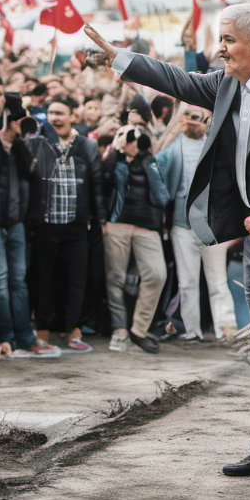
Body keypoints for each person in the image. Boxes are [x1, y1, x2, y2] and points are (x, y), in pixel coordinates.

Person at [85, 3, 250, 500]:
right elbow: (178, 81)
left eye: (227, 39)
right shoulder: (228, 83)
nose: (219, 49)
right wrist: (120, 58)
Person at [0, 75, 58, 357]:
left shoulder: (22, 134)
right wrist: (2, 138)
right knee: (0, 279)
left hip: (17, 220)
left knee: (18, 280)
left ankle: (24, 336)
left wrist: (20, 133)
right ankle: (6, 337)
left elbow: (35, 170)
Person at [25, 95, 106, 352]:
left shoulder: (87, 146)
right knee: (44, 279)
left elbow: (97, 187)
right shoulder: (38, 143)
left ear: (73, 116)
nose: (55, 118)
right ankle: (44, 332)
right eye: (51, 113)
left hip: (77, 225)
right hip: (46, 225)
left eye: (60, 113)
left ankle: (74, 330)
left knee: (76, 280)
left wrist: (100, 220)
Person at [157, 106, 240, 343]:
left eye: (198, 117)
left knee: (217, 281)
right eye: (189, 116)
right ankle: (192, 330)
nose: (193, 121)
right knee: (188, 281)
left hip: (212, 226)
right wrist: (174, 126)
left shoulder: (216, 147)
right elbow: (155, 162)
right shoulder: (173, 147)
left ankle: (226, 330)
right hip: (181, 224)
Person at [102, 125, 170, 353]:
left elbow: (163, 196)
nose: (133, 142)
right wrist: (116, 149)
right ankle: (119, 329)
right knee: (116, 280)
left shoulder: (149, 161)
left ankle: (138, 330)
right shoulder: (114, 160)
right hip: (117, 224)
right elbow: (103, 181)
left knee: (157, 274)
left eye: (136, 139)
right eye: (128, 137)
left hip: (147, 227)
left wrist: (146, 159)